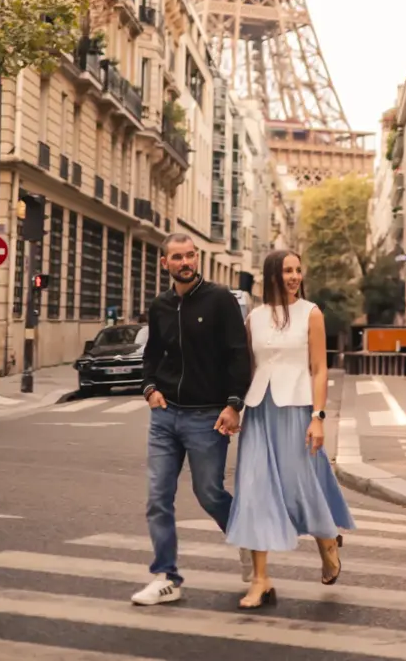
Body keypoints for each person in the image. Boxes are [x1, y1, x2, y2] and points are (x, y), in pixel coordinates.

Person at [225, 249, 355, 610]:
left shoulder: (311, 314)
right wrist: (234, 406)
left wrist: (318, 416)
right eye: (287, 270)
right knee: (254, 491)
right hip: (260, 412)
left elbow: (318, 368)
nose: (295, 276)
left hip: (297, 411)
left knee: (302, 487)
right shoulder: (255, 318)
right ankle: (260, 580)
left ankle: (327, 540)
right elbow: (248, 368)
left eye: (298, 270)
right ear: (272, 275)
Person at [131, 233, 252, 606]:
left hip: (206, 416)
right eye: (177, 257)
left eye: (190, 256)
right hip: (165, 416)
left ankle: (249, 542)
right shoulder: (161, 306)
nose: (185, 262)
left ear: (196, 258)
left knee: (209, 492)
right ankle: (166, 576)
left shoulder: (220, 301)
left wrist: (233, 405)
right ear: (164, 263)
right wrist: (150, 388)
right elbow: (151, 355)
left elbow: (238, 355)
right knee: (158, 498)